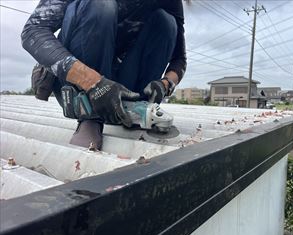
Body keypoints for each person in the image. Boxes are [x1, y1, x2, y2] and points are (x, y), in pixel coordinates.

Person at [21, 0, 187, 150]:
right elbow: (32, 31)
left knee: (166, 22)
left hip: (122, 85)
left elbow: (179, 59)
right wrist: (93, 83)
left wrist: (165, 84)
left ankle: (134, 108)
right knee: (100, 4)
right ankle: (91, 117)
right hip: (78, 80)